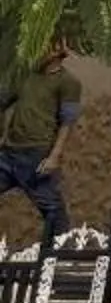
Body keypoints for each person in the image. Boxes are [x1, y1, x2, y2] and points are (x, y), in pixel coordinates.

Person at [0, 37, 80, 242]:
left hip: (36, 155)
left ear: (57, 50)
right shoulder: (26, 75)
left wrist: (54, 156)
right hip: (9, 152)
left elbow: (67, 122)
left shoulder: (68, 83)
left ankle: (56, 257)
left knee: (53, 210)